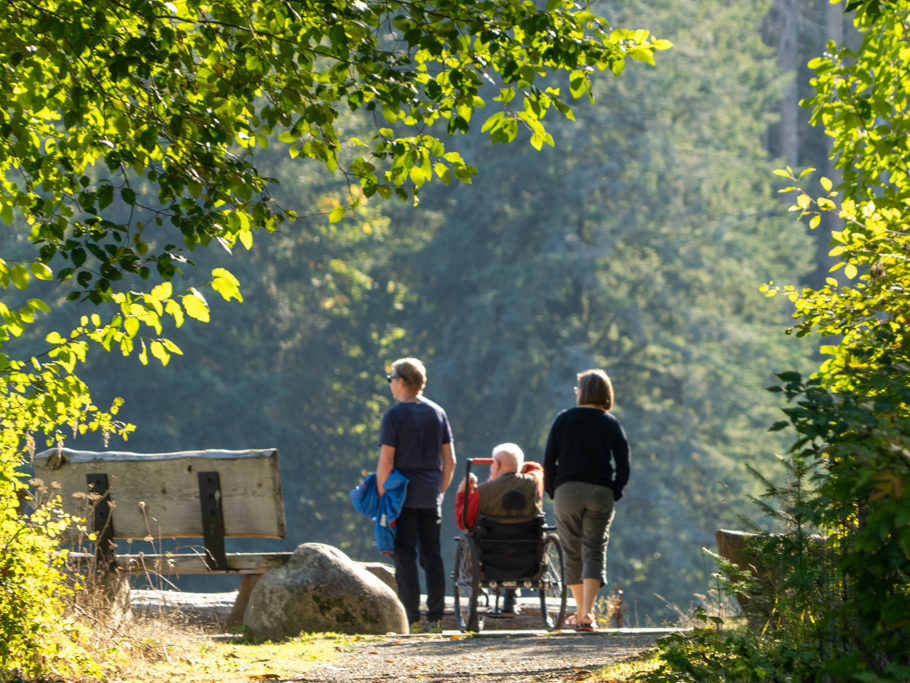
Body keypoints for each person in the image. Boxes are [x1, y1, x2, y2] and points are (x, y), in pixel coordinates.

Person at [543, 368, 630, 632]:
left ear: (584, 392)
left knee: (571, 551)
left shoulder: (564, 419)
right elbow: (624, 464)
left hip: (567, 491)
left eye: (578, 388)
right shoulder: (610, 422)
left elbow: (549, 460)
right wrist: (615, 490)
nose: (576, 391)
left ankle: (579, 611)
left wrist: (553, 491)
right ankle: (587, 614)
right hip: (600, 492)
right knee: (594, 549)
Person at [377, 357, 456, 632]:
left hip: (402, 498)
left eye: (391, 379)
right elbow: (450, 460)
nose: (390, 384)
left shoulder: (394, 416)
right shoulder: (438, 413)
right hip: (430, 495)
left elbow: (386, 461)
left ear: (401, 382)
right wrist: (440, 490)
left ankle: (410, 618)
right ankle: (435, 619)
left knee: (405, 556)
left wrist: (380, 493)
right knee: (432, 556)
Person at [455, 442, 543, 615]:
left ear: (496, 464)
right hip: (526, 559)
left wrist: (462, 494)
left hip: (490, 560)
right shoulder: (533, 483)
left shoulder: (483, 491)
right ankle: (511, 598)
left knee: (472, 532)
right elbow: (536, 468)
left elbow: (463, 522)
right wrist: (515, 464)